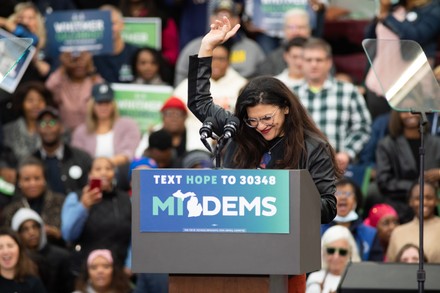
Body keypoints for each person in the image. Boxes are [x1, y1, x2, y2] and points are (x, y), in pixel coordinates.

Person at [187, 16, 339, 291]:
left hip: (287, 254)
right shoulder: (240, 131)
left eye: (267, 118)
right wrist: (207, 47)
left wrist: (284, 191)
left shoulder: (313, 147)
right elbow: (199, 102)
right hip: (235, 249)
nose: (261, 127)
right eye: (253, 120)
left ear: (286, 108)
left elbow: (328, 209)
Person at [292, 38, 371, 173]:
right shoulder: (291, 94)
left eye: (319, 60)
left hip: (337, 167)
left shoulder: (348, 91)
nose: (313, 64)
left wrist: (347, 153)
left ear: (329, 62)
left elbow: (363, 126)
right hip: (299, 167)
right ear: (302, 63)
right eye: (309, 60)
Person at [61, 157, 131, 275]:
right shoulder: (75, 198)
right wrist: (83, 206)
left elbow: (135, 236)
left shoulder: (126, 200)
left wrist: (130, 265)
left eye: (108, 168)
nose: (103, 172)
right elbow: (68, 234)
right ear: (90, 174)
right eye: (98, 169)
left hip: (119, 269)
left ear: (114, 174)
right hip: (84, 270)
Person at [174, 0, 265, 86]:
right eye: (219, 16)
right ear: (211, 19)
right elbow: (181, 78)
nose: (223, 20)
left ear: (237, 20)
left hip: (241, 97)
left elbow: (263, 79)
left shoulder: (253, 49)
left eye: (228, 16)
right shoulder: (194, 47)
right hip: (203, 95)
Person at [375, 110, 440, 223]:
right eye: (404, 111)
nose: (410, 114)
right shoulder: (387, 145)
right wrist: (416, 187)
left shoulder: (436, 143)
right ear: (397, 114)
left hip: (432, 208)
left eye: (414, 110)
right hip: (400, 208)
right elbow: (384, 181)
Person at [71, 82, 141, 167]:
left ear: (113, 104)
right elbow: (77, 156)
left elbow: (128, 152)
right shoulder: (81, 131)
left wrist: (105, 166)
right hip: (90, 174)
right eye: (100, 103)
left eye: (107, 103)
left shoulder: (128, 125)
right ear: (92, 105)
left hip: (121, 172)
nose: (104, 107)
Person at [1, 156, 65, 246]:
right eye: (27, 179)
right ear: (19, 182)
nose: (32, 184)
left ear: (45, 180)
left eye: (37, 178)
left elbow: (72, 236)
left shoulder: (61, 202)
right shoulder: (10, 211)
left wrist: (56, 233)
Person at [11, 207, 74, 293]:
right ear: (17, 234)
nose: (32, 232)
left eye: (35, 227)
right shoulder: (13, 260)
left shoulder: (62, 256)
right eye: (25, 229)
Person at [33, 106, 92, 195]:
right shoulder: (32, 161)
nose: (48, 127)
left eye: (52, 122)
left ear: (61, 127)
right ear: (37, 129)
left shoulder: (81, 157)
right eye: (43, 124)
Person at [321, 178, 383, 261]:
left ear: (356, 200)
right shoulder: (317, 232)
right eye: (338, 193)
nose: (343, 197)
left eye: (348, 193)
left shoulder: (371, 234)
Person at [45, 51, 104, 131]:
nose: (78, 65)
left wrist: (89, 64)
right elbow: (49, 85)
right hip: (66, 134)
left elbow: (102, 88)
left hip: (90, 132)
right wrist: (64, 65)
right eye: (75, 62)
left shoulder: (93, 81)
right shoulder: (62, 83)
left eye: (81, 62)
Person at [386, 180, 440, 263]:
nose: (424, 202)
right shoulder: (398, 232)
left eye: (429, 198)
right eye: (418, 198)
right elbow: (390, 268)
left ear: (436, 201)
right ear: (410, 202)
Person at [2, 81, 55, 162]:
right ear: (21, 103)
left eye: (41, 100)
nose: (36, 105)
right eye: (30, 100)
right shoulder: (8, 131)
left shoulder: (56, 129)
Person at [254, 8, 312, 76]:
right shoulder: (273, 59)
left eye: (301, 27)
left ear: (309, 30)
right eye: (291, 27)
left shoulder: (321, 52)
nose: (296, 32)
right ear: (284, 30)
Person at [306, 225, 361, 293]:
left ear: (350, 254)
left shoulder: (359, 282)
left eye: (342, 252)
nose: (336, 257)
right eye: (331, 251)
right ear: (323, 252)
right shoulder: (314, 279)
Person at [92, 5, 139, 83]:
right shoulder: (91, 55)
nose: (108, 28)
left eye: (112, 23)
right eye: (104, 24)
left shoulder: (136, 53)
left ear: (122, 25)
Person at [0, 227, 47, 292]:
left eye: (10, 246)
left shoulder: (33, 282)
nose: (6, 251)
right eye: (0, 247)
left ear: (19, 249)